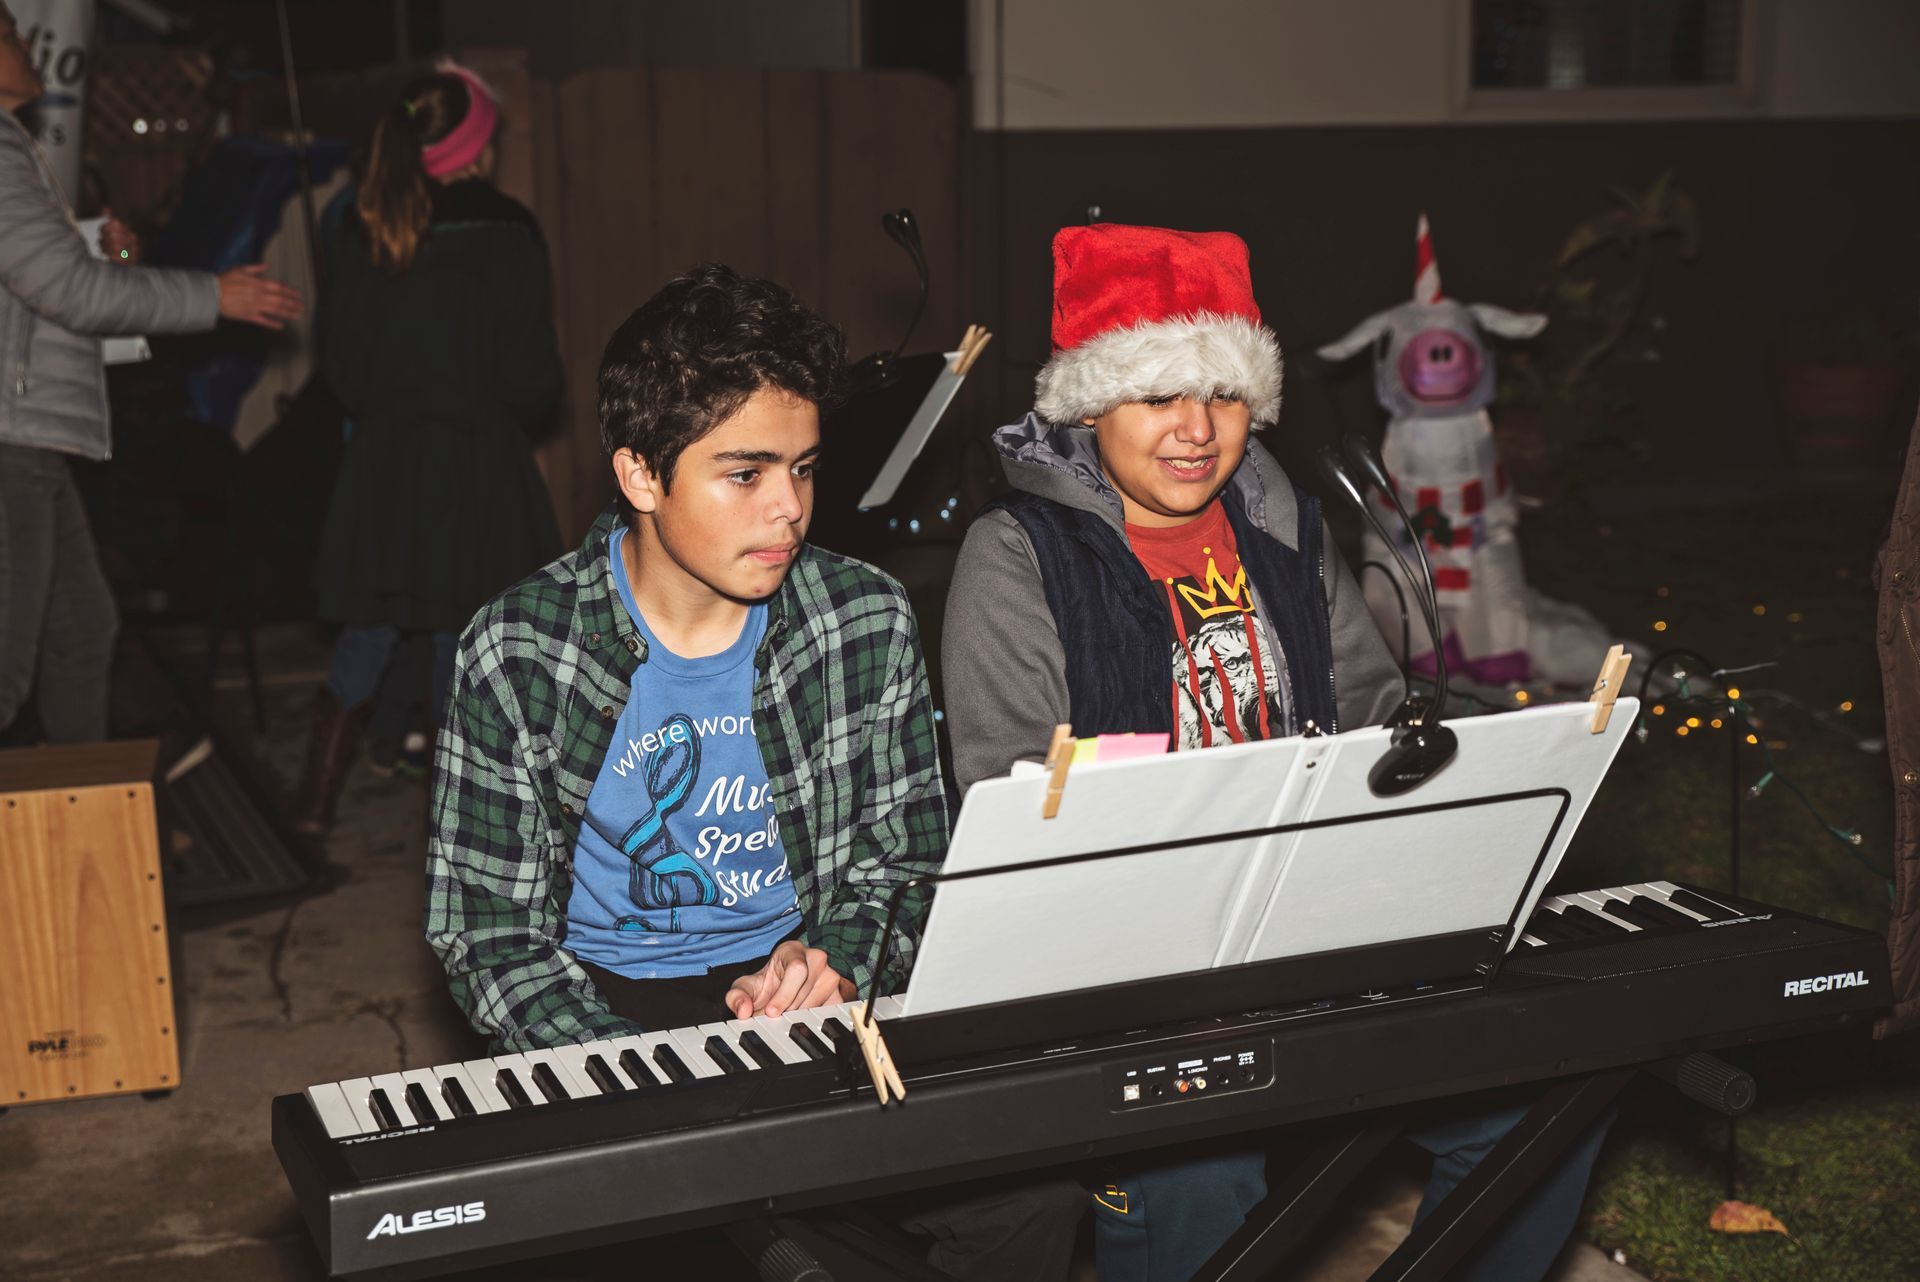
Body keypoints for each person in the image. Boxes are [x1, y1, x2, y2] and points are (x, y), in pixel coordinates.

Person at [942, 223, 1611, 1282]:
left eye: (1225, 395)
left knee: (1543, 1108)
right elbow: (1014, 793)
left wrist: (1468, 760)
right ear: (1089, 402)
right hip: (1132, 977)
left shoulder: (1282, 524)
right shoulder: (1017, 555)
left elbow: (1372, 710)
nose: (1198, 431)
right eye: (1160, 394)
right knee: (1193, 1180)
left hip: (1310, 936)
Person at [425, 263, 1085, 1280]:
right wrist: (640, 1077)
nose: (790, 509)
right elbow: (488, 934)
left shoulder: (859, 618)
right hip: (606, 1005)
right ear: (642, 475)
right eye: (745, 473)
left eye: (806, 468)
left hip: (804, 988)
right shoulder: (517, 649)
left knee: (1032, 1197)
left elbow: (902, 866)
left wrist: (839, 958)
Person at [0, 0, 301, 743]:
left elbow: (43, 279)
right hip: (12, 440)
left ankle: (80, 830)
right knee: (9, 665)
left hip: (31, 437)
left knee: (82, 633)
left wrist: (102, 250)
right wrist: (213, 294)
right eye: (8, 30)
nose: (24, 42)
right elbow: (63, 291)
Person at [298, 62, 564, 836]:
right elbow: (531, 378)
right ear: (476, 147)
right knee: (465, 637)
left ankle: (309, 810)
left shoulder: (360, 224)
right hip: (475, 467)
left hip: (387, 470)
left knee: (370, 628)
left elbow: (341, 372)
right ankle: (467, 829)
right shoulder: (508, 231)